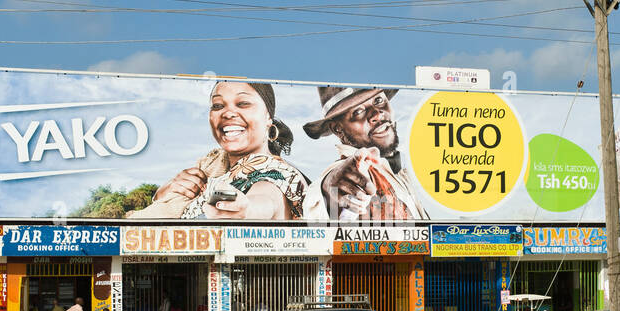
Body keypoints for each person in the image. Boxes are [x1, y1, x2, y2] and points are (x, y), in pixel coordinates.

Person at [129, 81, 308, 220]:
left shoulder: (277, 172)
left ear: (268, 117)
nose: (228, 113)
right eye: (218, 105)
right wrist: (163, 194)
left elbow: (268, 199)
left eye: (243, 103)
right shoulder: (209, 166)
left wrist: (248, 209)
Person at [301, 86, 429, 221]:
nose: (377, 114)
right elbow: (325, 196)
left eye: (378, 100)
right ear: (337, 129)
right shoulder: (355, 172)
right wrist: (327, 189)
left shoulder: (398, 173)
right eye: (358, 111)